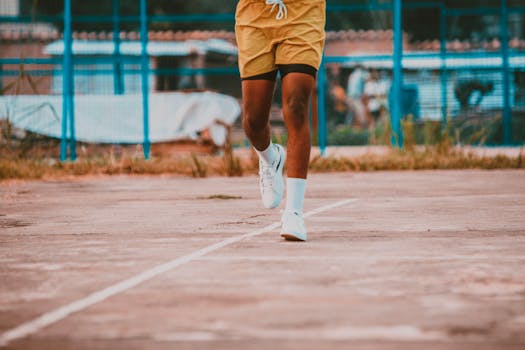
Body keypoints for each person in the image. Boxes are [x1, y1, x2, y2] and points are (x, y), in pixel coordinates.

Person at [235, 0, 326, 241]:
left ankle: (294, 212)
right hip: (255, 15)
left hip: (303, 12)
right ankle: (270, 157)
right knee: (253, 120)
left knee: (296, 106)